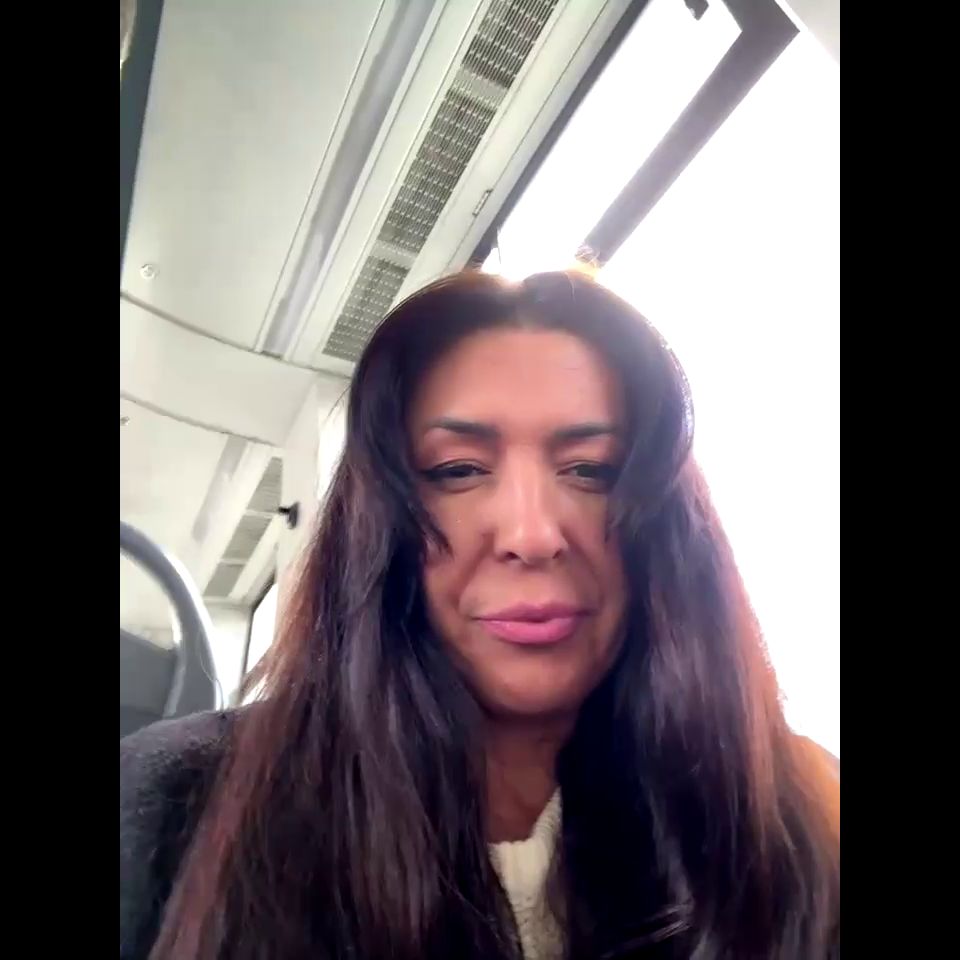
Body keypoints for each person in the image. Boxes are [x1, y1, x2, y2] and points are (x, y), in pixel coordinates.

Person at [120, 269, 840, 960]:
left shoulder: (801, 807)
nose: (532, 534)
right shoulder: (175, 795)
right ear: (380, 526)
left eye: (592, 470)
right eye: (458, 471)